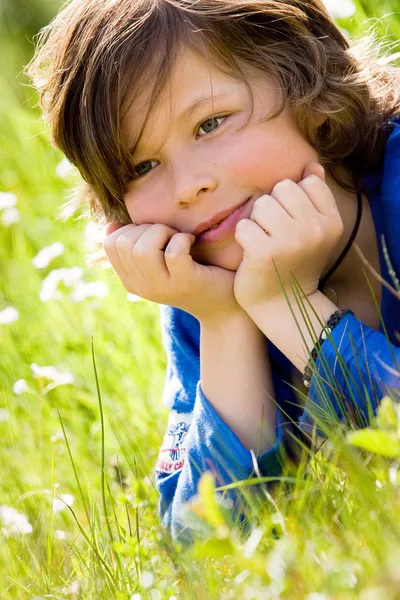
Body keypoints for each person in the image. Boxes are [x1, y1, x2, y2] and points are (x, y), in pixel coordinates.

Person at [27, 0, 400, 544]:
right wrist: (227, 321)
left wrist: (289, 305)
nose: (187, 187)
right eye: (141, 167)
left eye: (209, 124)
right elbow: (204, 543)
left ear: (306, 79)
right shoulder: (204, 290)